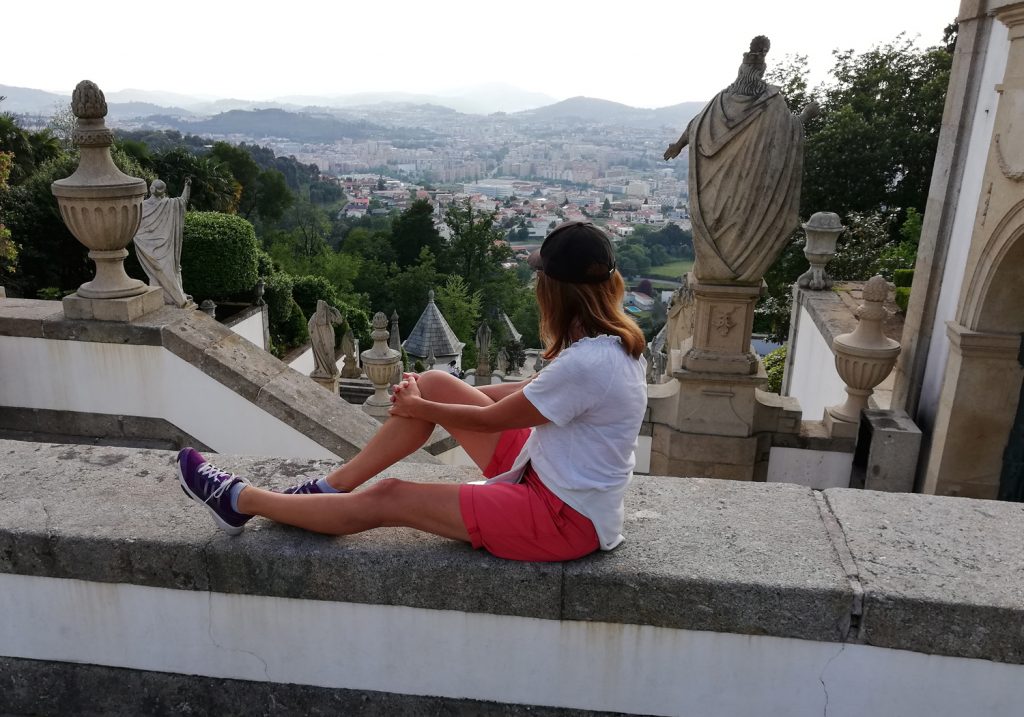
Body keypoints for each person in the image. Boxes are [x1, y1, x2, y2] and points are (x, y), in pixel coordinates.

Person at [175, 221, 648, 562]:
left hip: (561, 518)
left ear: (556, 290)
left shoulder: (588, 361)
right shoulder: (613, 343)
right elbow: (531, 390)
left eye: (539, 278)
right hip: (552, 479)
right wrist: (429, 395)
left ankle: (240, 501)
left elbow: (492, 419)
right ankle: (328, 488)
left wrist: (420, 406)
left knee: (391, 497)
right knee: (439, 378)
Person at [663, 36, 817, 284]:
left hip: (720, 187)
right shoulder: (769, 103)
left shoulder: (724, 100)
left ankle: (725, 267)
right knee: (734, 227)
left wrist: (679, 144)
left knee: (721, 224)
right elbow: (789, 131)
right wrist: (805, 116)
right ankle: (727, 265)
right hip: (747, 188)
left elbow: (695, 126)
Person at [134, 178, 194, 308]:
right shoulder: (166, 204)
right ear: (163, 191)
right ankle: (175, 297)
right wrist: (187, 187)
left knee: (168, 271)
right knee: (165, 272)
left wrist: (139, 239)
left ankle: (176, 296)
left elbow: (136, 228)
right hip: (159, 247)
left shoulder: (143, 206)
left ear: (151, 189)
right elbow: (183, 201)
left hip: (154, 247)